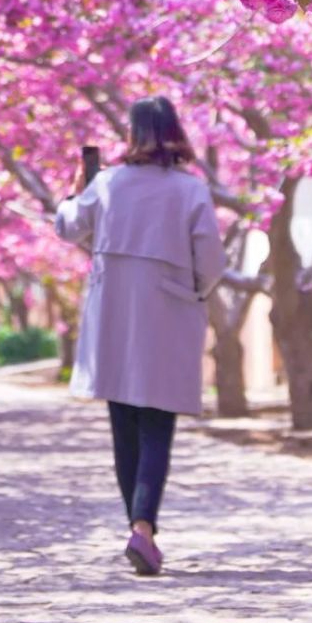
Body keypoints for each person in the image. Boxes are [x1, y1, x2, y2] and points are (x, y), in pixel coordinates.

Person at [54, 95, 227, 577]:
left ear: (132, 135)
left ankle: (139, 528)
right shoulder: (191, 191)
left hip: (114, 313)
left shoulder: (106, 184)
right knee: (157, 424)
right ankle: (143, 529)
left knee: (124, 423)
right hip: (167, 312)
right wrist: (194, 291)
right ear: (174, 133)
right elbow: (210, 258)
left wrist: (73, 193)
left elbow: (68, 227)